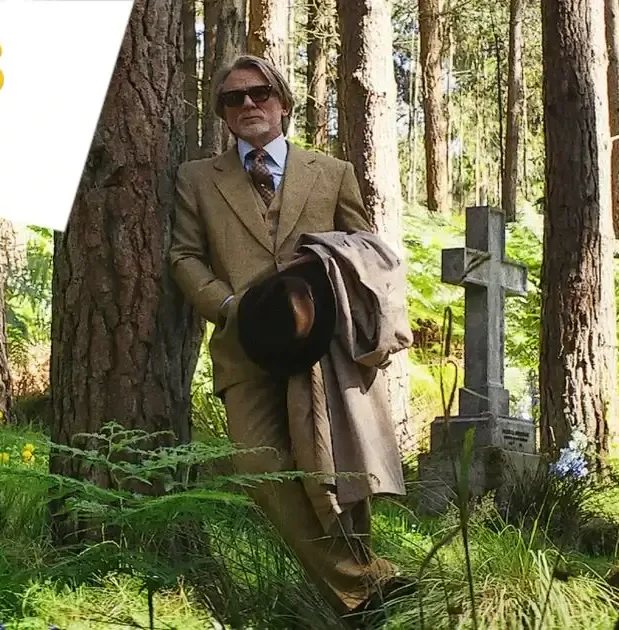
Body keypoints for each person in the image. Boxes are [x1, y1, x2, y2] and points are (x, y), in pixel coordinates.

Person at [168, 54, 411, 622]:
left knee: (331, 469)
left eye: (259, 94)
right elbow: (183, 255)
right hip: (243, 346)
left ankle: (362, 606)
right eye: (234, 98)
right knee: (259, 469)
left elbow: (367, 251)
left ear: (282, 103)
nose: (248, 105)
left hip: (321, 346)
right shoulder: (197, 179)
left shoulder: (331, 172)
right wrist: (227, 307)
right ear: (223, 114)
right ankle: (370, 583)